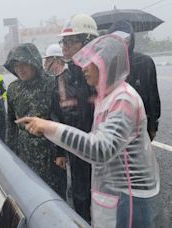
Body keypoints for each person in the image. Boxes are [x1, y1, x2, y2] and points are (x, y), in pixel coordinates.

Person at [17, 34, 161, 227]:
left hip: (130, 198)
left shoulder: (123, 99)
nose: (84, 68)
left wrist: (49, 127)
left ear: (105, 64)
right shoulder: (107, 97)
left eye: (89, 63)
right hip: (115, 195)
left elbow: (100, 150)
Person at [51, 13, 98, 222]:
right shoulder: (61, 79)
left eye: (70, 41)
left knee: (106, 199)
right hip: (77, 152)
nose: (64, 46)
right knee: (80, 196)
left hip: (104, 151)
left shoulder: (102, 74)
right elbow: (56, 117)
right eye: (64, 41)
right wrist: (59, 151)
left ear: (87, 41)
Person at [4, 43, 66, 198]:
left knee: (55, 198)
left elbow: (61, 119)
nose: (20, 69)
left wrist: (61, 153)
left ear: (34, 63)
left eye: (24, 64)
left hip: (50, 155)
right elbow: (11, 123)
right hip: (24, 154)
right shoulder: (13, 89)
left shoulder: (52, 84)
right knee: (30, 196)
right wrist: (9, 153)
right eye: (16, 66)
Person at [108, 20, 161, 141]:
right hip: (115, 127)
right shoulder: (108, 64)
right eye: (116, 39)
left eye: (125, 38)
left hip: (140, 124)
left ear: (131, 40)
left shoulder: (145, 62)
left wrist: (153, 125)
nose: (122, 43)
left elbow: (153, 96)